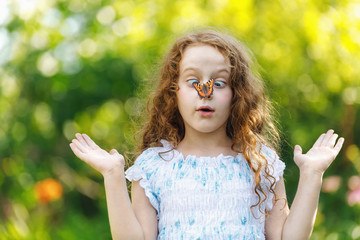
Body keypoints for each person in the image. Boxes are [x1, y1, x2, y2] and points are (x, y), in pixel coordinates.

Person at [69, 29, 344, 240]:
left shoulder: (261, 163)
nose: (206, 91)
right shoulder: (153, 168)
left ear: (238, 93)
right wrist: (113, 176)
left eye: (219, 82)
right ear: (173, 92)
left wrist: (312, 175)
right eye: (193, 81)